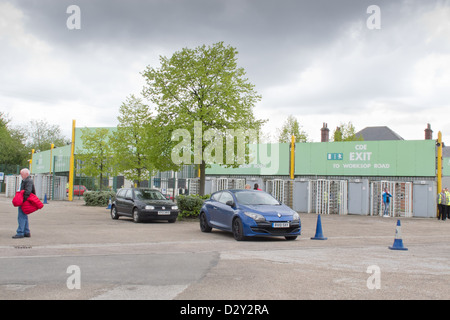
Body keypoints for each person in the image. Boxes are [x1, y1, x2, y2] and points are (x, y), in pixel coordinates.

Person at [12, 168, 36, 239]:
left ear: (27, 174)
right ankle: (26, 232)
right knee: (24, 216)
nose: (21, 175)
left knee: (21, 216)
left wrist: (22, 200)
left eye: (22, 174)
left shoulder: (28, 181)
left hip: (24, 201)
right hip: (25, 201)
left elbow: (28, 191)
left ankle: (20, 232)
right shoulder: (26, 180)